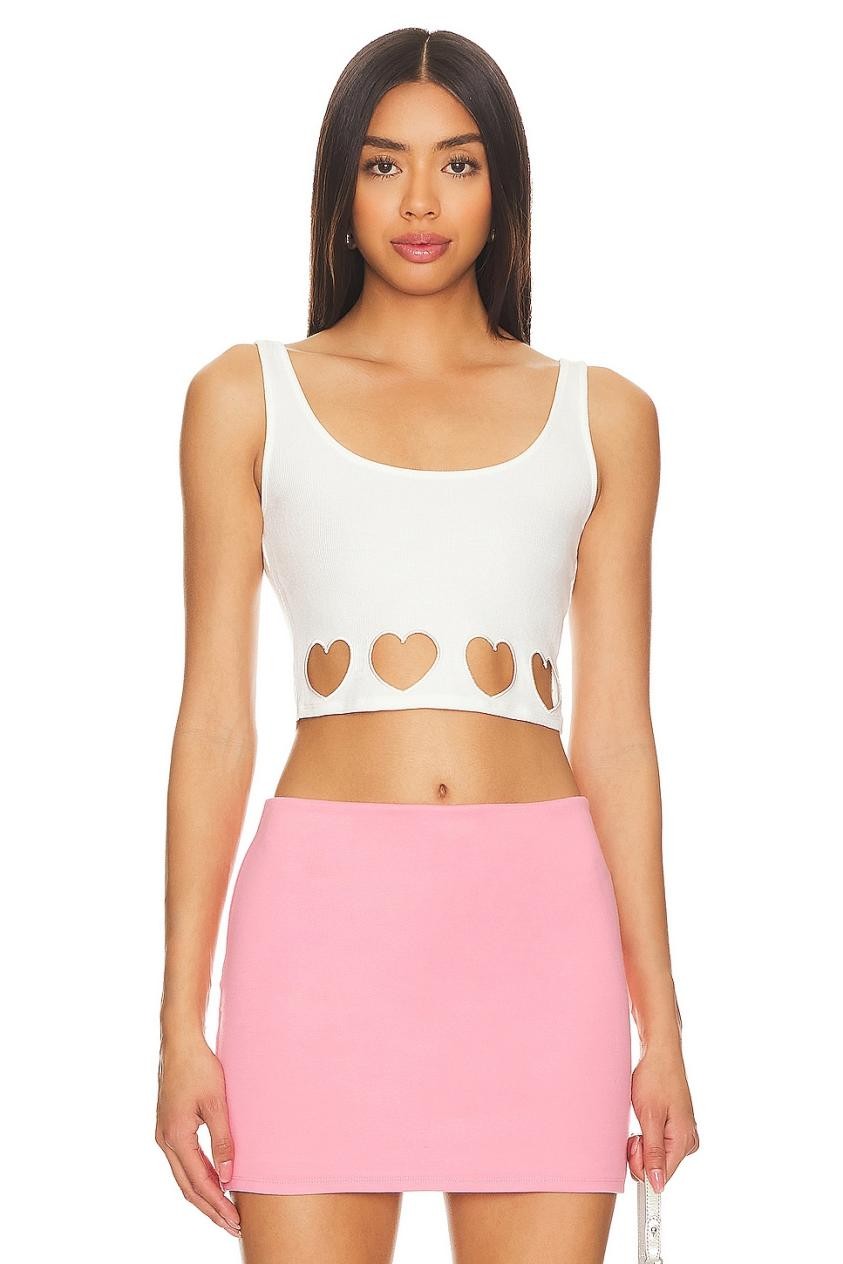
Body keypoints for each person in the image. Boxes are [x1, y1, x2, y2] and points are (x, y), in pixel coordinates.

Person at [155, 27, 699, 1264]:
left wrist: (660, 1026)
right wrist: (181, 1023)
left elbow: (619, 737)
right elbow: (215, 722)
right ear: (340, 191)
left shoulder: (606, 415)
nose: (418, 202)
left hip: (541, 940)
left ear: (501, 188)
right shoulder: (243, 397)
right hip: (321, 939)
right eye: (383, 163)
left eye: (456, 164)